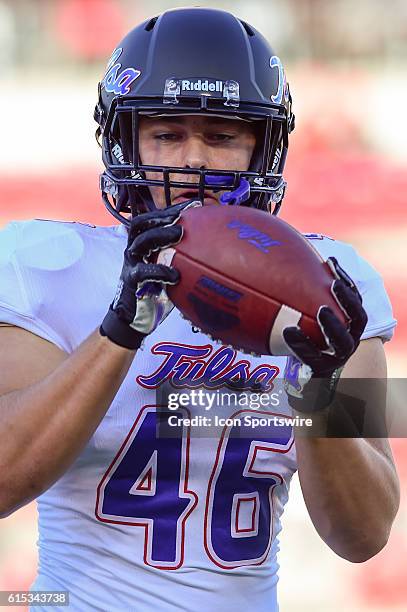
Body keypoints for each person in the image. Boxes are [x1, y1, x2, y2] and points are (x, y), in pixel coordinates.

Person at [0, 7, 399, 611]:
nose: (193, 160)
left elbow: (364, 535)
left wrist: (316, 389)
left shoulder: (333, 283)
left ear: (261, 146)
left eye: (221, 135)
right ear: (124, 140)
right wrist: (120, 332)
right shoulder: (47, 265)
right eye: (166, 132)